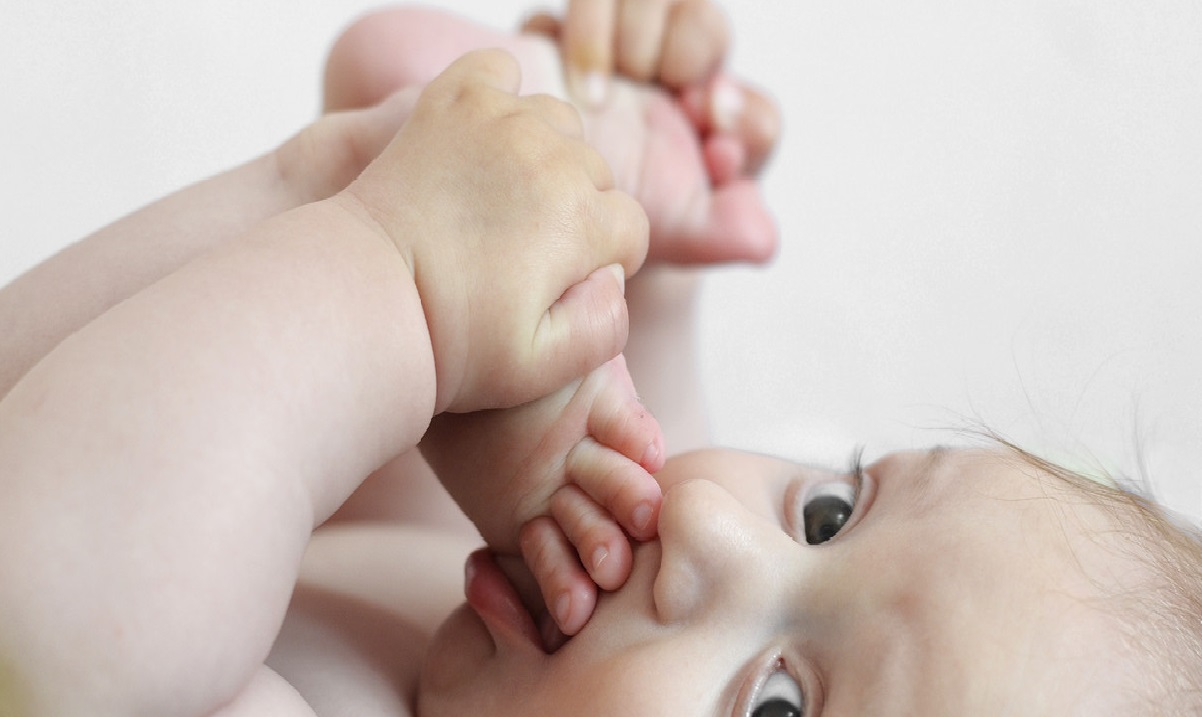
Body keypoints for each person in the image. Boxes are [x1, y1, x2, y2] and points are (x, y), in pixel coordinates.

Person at [3, 6, 1201, 717]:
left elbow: (47, 617)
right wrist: (615, 240)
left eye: (777, 706)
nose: (712, 534)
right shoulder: (540, 637)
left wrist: (388, 273)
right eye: (828, 513)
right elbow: (393, 58)